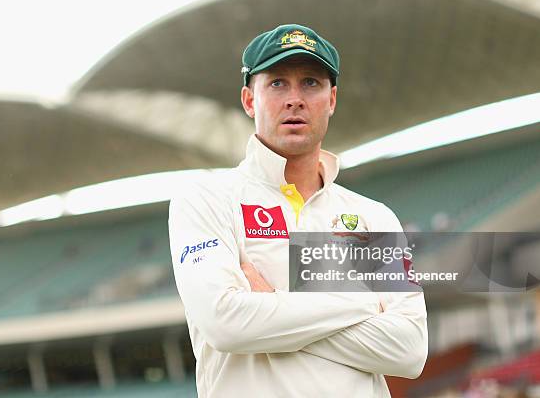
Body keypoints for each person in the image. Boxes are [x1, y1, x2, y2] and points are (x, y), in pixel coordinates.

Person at [168, 24, 428, 397]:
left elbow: (409, 350)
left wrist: (271, 306)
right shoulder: (206, 198)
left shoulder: (374, 216)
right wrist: (363, 303)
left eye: (310, 83)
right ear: (248, 100)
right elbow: (224, 324)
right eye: (277, 83)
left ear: (332, 99)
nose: (295, 99)